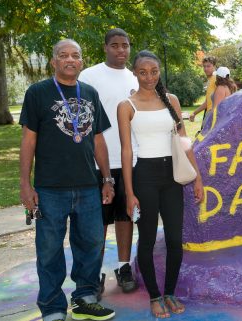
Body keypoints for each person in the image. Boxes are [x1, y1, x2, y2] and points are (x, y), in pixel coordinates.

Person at [19, 39, 115, 321]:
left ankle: (85, 298)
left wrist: (107, 178)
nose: (70, 59)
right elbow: (28, 140)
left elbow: (98, 139)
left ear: (82, 61)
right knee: (49, 250)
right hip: (50, 188)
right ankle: (52, 307)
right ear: (54, 62)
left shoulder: (90, 93)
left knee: (92, 243)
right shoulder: (37, 92)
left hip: (88, 185)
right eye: (63, 55)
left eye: (75, 55)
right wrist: (25, 183)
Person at [118, 50, 204, 318]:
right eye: (143, 72)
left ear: (159, 72)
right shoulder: (126, 106)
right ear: (135, 72)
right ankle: (154, 296)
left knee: (175, 240)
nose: (149, 77)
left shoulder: (171, 101)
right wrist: (130, 193)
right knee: (146, 239)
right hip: (144, 175)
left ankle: (169, 292)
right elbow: (126, 152)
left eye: (154, 71)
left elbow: (183, 139)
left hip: (172, 177)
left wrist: (198, 176)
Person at [79, 28, 139, 295]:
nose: (121, 50)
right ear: (105, 47)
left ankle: (124, 266)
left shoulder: (136, 77)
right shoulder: (89, 76)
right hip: (96, 162)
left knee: (125, 216)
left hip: (129, 160)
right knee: (97, 222)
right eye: (115, 45)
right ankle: (96, 272)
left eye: (125, 45)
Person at [189, 56, 217, 126]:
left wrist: (194, 113)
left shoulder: (215, 79)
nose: (206, 69)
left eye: (208, 66)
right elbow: (208, 102)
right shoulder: (212, 79)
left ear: (214, 66)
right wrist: (194, 113)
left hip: (213, 115)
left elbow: (208, 103)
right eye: (204, 66)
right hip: (212, 114)